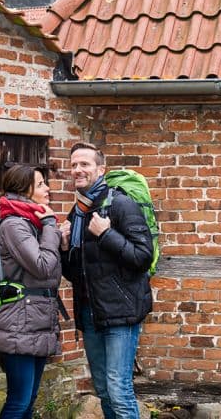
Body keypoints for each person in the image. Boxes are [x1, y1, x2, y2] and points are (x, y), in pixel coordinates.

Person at [58, 142, 153, 419]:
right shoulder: (77, 212)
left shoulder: (121, 204)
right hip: (91, 314)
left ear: (101, 169)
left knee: (119, 389)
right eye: (74, 164)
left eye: (84, 164)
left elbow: (142, 257)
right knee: (102, 388)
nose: (78, 170)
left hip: (121, 312)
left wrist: (106, 235)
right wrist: (65, 249)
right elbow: (77, 275)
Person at [0, 165, 62, 419]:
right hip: (19, 321)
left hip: (36, 319)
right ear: (24, 189)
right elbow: (43, 266)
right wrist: (51, 227)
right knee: (19, 402)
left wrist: (51, 232)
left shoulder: (32, 222)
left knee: (29, 400)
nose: (47, 189)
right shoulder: (14, 224)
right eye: (41, 184)